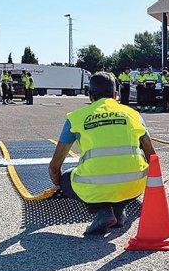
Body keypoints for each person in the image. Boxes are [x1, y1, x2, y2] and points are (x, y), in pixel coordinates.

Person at [48, 73, 157, 235]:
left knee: (65, 178)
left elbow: (55, 165)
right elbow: (152, 156)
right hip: (135, 185)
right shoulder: (134, 115)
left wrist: (58, 184)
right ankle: (119, 210)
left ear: (90, 96)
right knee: (124, 176)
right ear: (115, 95)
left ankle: (102, 211)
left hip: (95, 186)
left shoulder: (76, 118)